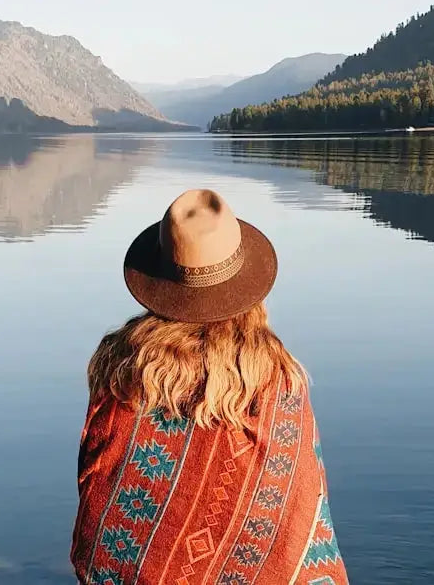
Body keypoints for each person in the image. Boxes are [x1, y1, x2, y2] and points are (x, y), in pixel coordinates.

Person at [71, 188, 348, 584]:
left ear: (162, 282)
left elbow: (97, 477)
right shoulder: (279, 381)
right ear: (247, 285)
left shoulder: (121, 373)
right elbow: (305, 503)